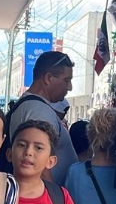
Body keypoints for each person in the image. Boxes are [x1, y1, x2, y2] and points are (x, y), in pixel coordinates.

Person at [6, 51, 77, 181]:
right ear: (48, 78)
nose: (70, 87)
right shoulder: (38, 111)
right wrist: (51, 199)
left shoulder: (34, 107)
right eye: (66, 80)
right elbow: (40, 168)